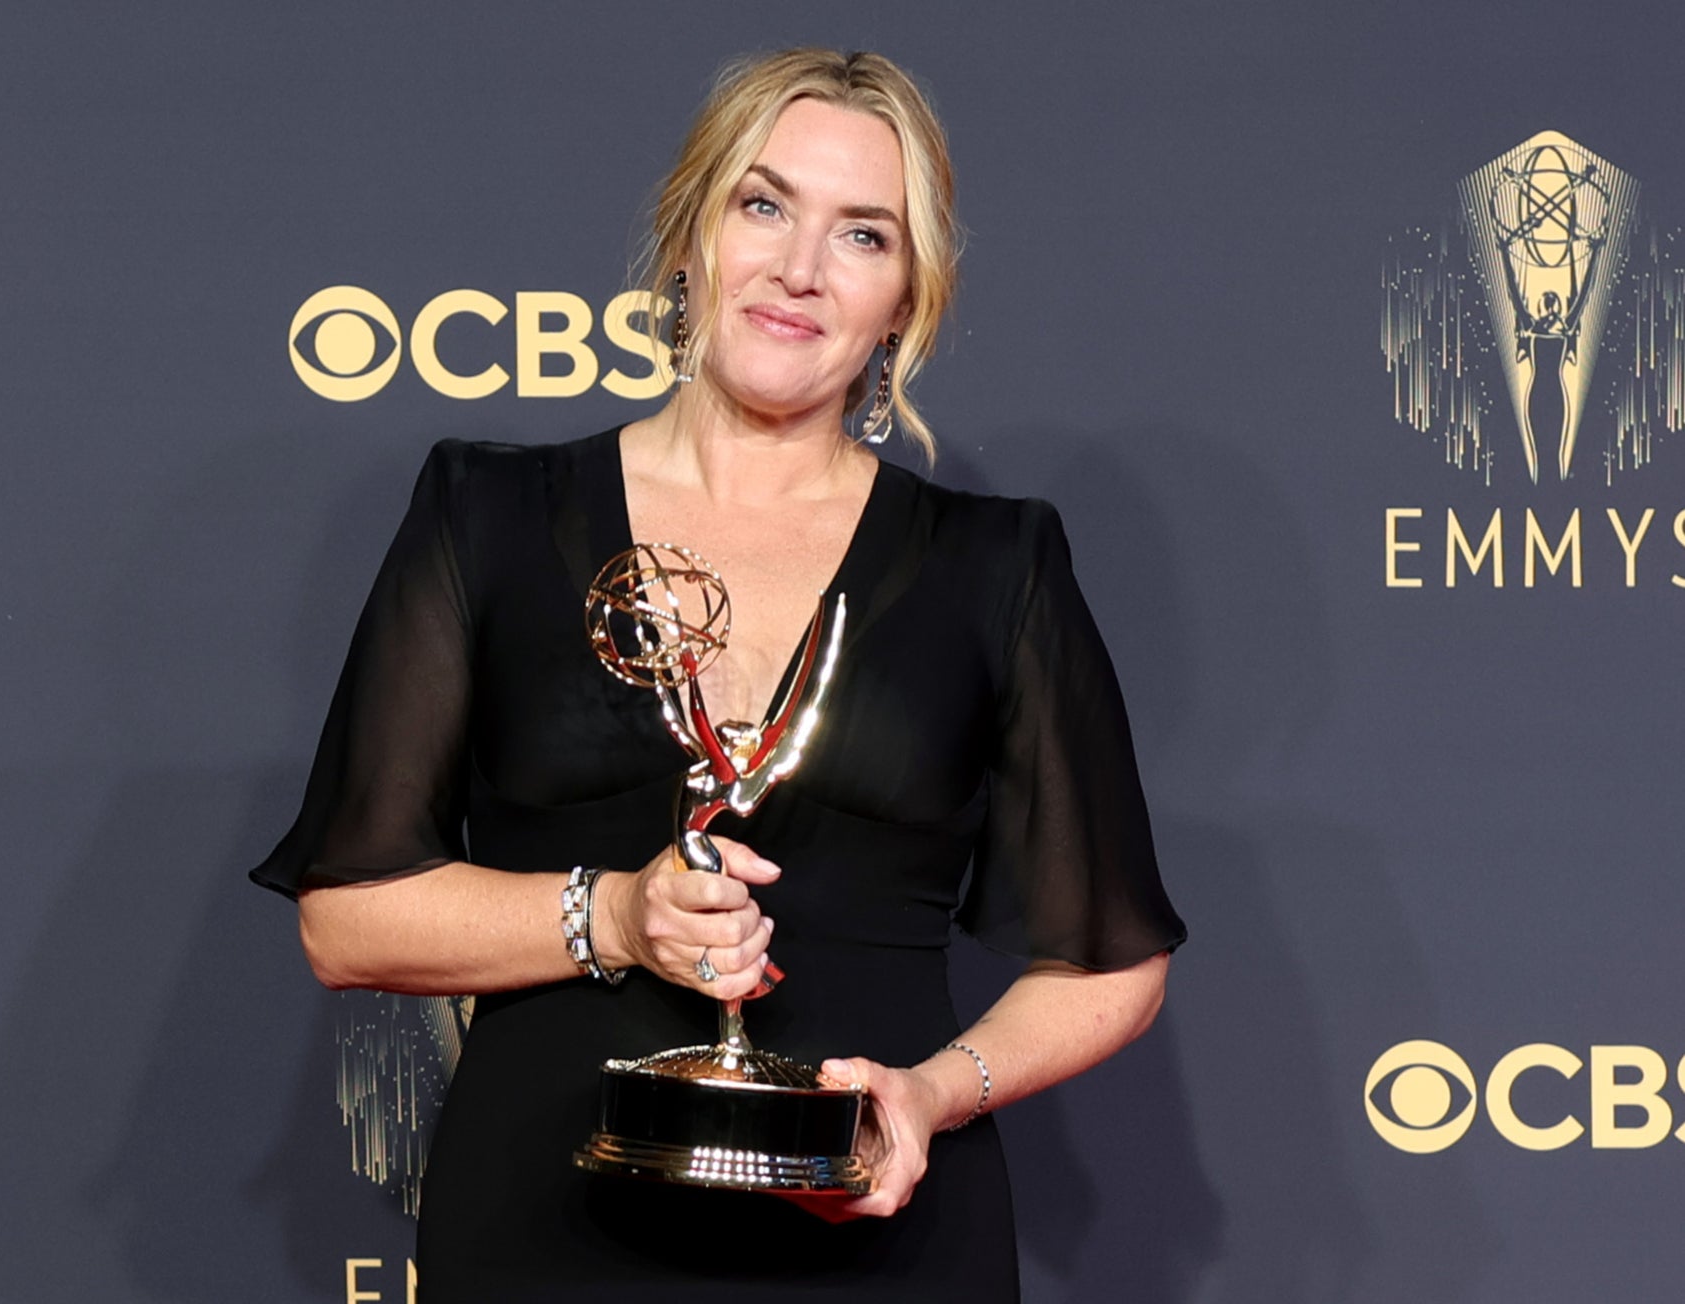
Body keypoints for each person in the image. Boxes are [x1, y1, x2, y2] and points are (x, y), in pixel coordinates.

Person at [251, 47, 1185, 1303]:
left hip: (879, 1238)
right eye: (763, 205)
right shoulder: (488, 516)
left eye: (863, 234)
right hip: (547, 1227)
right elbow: (345, 915)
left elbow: (1112, 959)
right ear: (689, 233)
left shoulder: (995, 563)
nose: (798, 267)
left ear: (907, 296)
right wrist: (615, 915)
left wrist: (924, 1095)